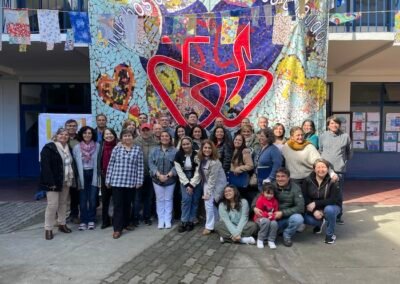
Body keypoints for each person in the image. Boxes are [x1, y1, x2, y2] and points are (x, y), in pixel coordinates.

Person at [105, 129, 144, 239]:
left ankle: (126, 224)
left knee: (128, 205)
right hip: (117, 181)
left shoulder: (137, 149)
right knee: (118, 205)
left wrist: (139, 181)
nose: (127, 137)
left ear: (133, 137)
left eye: (129, 135)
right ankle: (117, 229)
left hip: (131, 182)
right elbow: (111, 164)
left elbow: (140, 166)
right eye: (125, 136)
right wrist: (108, 180)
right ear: (121, 138)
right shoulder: (117, 149)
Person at [40, 128, 77, 240]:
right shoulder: (49, 148)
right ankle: (48, 229)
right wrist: (50, 182)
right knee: (52, 205)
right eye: (61, 134)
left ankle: (62, 224)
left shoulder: (68, 148)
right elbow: (45, 166)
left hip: (65, 180)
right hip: (53, 182)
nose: (64, 136)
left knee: (63, 203)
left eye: (66, 135)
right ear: (56, 136)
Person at [253, 168, 304, 247]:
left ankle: (286, 235)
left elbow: (300, 207)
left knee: (298, 218)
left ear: (288, 178)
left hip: (285, 217)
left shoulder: (295, 188)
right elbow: (258, 197)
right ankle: (274, 232)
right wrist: (254, 207)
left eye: (283, 176)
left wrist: (282, 213)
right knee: (264, 225)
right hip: (270, 217)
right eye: (278, 176)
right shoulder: (271, 185)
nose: (280, 179)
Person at [319, 115, 353, 224]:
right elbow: (320, 150)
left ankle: (338, 216)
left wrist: (342, 162)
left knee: (338, 193)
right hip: (324, 170)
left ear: (339, 124)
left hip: (339, 170)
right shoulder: (323, 136)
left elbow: (350, 153)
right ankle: (324, 214)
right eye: (332, 123)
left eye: (336, 123)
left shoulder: (345, 136)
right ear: (328, 125)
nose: (334, 125)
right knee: (323, 193)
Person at [302, 159, 341, 244]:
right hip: (315, 209)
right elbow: (305, 197)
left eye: (324, 167)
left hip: (332, 206)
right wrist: (314, 211)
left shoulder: (333, 181)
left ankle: (330, 235)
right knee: (304, 218)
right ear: (314, 169)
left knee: (329, 210)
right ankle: (319, 224)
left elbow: (333, 200)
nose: (321, 170)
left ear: (328, 169)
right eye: (318, 167)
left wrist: (316, 204)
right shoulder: (307, 180)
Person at [197, 140, 227, 235]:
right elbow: (200, 173)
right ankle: (216, 223)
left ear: (213, 149)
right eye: (205, 147)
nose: (207, 149)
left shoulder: (215, 162)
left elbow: (212, 180)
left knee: (209, 204)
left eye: (209, 148)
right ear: (202, 149)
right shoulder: (202, 159)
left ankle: (209, 226)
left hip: (217, 185)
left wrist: (208, 193)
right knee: (211, 204)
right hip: (207, 183)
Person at [149, 131, 177, 229]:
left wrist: (169, 175)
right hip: (157, 179)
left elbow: (176, 165)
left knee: (169, 199)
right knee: (159, 199)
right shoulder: (154, 150)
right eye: (162, 136)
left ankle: (167, 219)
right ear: (160, 138)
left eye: (167, 136)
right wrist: (158, 174)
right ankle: (161, 220)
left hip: (170, 179)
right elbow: (151, 164)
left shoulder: (175, 151)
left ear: (170, 138)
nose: (164, 138)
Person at [73, 126, 100, 230]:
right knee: (83, 199)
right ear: (81, 134)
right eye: (85, 133)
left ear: (92, 134)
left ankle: (91, 219)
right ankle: (83, 220)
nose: (87, 135)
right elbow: (75, 164)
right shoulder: (77, 147)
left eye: (89, 133)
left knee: (93, 199)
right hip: (82, 175)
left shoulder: (97, 146)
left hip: (93, 174)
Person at [174, 137, 202, 232]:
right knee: (186, 199)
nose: (186, 146)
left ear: (191, 144)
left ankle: (191, 221)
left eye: (187, 144)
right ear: (181, 146)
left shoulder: (197, 154)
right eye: (184, 144)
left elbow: (199, 170)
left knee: (194, 200)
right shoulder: (178, 155)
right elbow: (179, 172)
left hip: (196, 178)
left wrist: (192, 184)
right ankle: (184, 221)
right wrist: (187, 185)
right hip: (184, 178)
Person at [133, 123, 158, 226]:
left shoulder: (156, 143)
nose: (145, 132)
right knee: (137, 197)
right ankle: (135, 218)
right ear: (140, 130)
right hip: (138, 174)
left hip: (151, 174)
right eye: (143, 130)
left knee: (149, 197)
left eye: (147, 130)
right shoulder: (135, 142)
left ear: (151, 131)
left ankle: (147, 217)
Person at [97, 127, 118, 229]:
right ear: (103, 136)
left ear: (114, 135)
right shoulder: (101, 146)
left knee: (116, 200)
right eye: (106, 134)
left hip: (117, 176)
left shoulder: (118, 145)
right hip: (104, 175)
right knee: (105, 200)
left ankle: (115, 219)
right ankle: (105, 221)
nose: (108, 136)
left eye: (110, 134)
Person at [230, 134, 254, 206]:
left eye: (240, 140)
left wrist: (239, 169)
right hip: (233, 179)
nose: (237, 141)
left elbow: (250, 165)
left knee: (242, 199)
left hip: (241, 180)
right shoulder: (233, 150)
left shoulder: (244, 152)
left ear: (243, 142)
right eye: (236, 139)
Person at [253, 183, 279, 249]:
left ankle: (271, 240)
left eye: (271, 194)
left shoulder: (275, 201)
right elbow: (259, 212)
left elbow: (276, 211)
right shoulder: (260, 200)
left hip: (270, 218)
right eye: (267, 193)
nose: (269, 195)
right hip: (259, 218)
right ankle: (260, 239)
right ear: (263, 192)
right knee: (266, 221)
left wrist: (273, 216)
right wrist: (267, 215)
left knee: (274, 223)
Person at [64, 119, 80, 224]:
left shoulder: (80, 139)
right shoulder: (61, 138)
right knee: (63, 196)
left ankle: (74, 215)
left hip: (76, 171)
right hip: (63, 171)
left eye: (74, 126)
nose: (72, 127)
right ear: (66, 127)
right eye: (69, 125)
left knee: (75, 195)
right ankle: (60, 217)